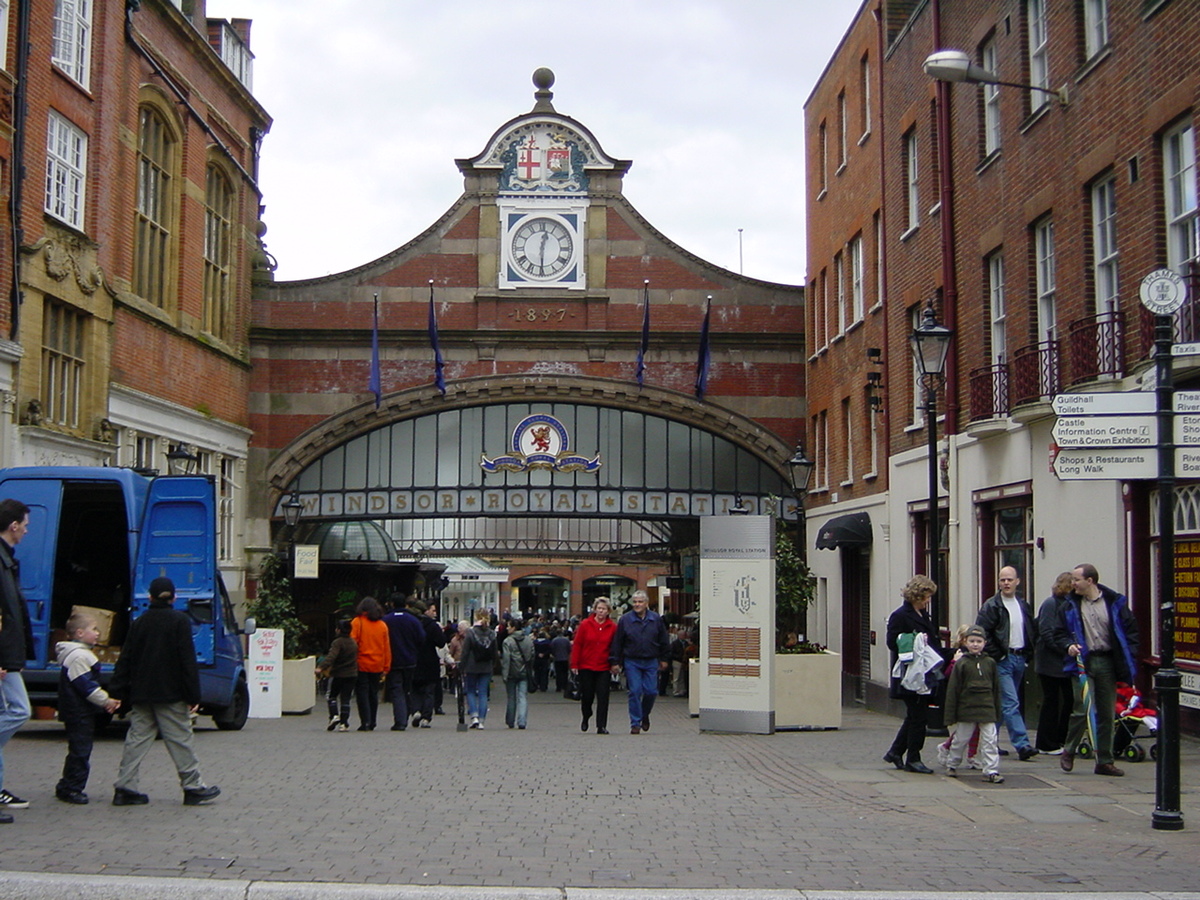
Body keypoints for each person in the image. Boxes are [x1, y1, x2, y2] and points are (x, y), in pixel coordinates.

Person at [109, 576, 220, 806]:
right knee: (180, 740)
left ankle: (125, 787)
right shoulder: (179, 621)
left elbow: (126, 659)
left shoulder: (139, 623)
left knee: (137, 740)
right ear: (174, 598)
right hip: (171, 694)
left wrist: (117, 691)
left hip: (142, 694)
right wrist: (193, 696)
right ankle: (193, 786)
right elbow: (186, 661)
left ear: (150, 597)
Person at [1053, 563, 1139, 777]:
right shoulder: (1069, 605)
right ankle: (1069, 750)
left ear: (1090, 581)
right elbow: (1058, 633)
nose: (1072, 584)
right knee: (1082, 707)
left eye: (1076, 580)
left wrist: (1130, 655)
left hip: (1108, 662)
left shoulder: (1114, 603)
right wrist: (1068, 646)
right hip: (1082, 662)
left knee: (1106, 713)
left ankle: (1105, 761)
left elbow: (1130, 631)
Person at [54, 612, 121, 804]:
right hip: (79, 711)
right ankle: (72, 788)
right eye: (94, 629)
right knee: (81, 751)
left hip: (75, 710)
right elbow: (87, 686)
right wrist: (106, 701)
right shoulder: (79, 657)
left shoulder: (76, 654)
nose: (98, 633)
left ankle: (66, 785)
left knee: (77, 748)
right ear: (80, 633)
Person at [975, 566, 1039, 760]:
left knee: (1003, 703)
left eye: (1010, 579)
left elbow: (1030, 630)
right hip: (1002, 660)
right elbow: (982, 632)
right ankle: (1023, 745)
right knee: (1011, 702)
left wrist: (1028, 654)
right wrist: (998, 655)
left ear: (1017, 581)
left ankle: (989, 741)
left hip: (1020, 659)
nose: (1006, 583)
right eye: (1003, 580)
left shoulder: (1022, 605)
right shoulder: (992, 605)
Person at [884, 574, 944, 774]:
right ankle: (913, 758)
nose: (928, 601)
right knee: (919, 717)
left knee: (914, 716)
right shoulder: (900, 616)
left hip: (924, 672)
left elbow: (932, 642)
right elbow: (892, 642)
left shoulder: (923, 615)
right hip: (910, 674)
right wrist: (913, 641)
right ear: (917, 596)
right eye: (926, 597)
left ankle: (895, 752)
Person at [0, 499, 33, 822]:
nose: (26, 529)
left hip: (7, 655)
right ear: (13, 526)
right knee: (20, 710)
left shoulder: (7, 559)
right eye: (25, 524)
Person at [942, 625, 1004, 783]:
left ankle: (991, 770)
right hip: (966, 709)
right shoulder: (961, 664)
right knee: (961, 739)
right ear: (965, 642)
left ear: (985, 642)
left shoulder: (990, 663)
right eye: (972, 641)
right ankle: (952, 763)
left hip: (987, 709)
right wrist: (950, 714)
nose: (975, 644)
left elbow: (996, 689)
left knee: (990, 740)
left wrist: (997, 710)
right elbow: (953, 690)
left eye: (979, 641)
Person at [610, 590, 669, 734]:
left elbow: (664, 641)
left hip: (651, 660)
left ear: (646, 603)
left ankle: (644, 714)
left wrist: (665, 658)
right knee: (635, 691)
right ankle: (635, 723)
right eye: (635, 602)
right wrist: (615, 662)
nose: (637, 604)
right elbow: (618, 642)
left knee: (651, 691)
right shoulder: (625, 620)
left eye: (640, 602)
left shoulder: (656, 619)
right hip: (632, 660)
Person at [1034, 572, 1076, 754]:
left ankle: (1061, 738)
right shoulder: (1051, 604)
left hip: (1065, 663)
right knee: (1052, 701)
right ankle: (1046, 743)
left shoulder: (1069, 604)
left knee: (1069, 701)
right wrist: (1065, 650)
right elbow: (1047, 632)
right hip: (1051, 663)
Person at [570, 597, 617, 734]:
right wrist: (574, 663)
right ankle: (586, 715)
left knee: (603, 696)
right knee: (587, 695)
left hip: (603, 666)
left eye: (604, 609)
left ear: (608, 611)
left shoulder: (613, 627)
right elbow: (577, 645)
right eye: (599, 608)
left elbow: (615, 647)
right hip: (586, 665)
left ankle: (601, 725)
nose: (601, 611)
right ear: (595, 609)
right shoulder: (585, 624)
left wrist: (615, 663)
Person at [382, 594, 425, 731]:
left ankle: (400, 721)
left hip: (393, 660)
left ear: (392, 604)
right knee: (407, 689)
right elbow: (421, 638)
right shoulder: (413, 620)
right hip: (410, 660)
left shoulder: (386, 620)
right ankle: (410, 712)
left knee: (397, 690)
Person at [350, 597, 390, 731]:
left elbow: (352, 643)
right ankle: (373, 721)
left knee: (362, 694)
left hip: (361, 663)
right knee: (373, 694)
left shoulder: (357, 622)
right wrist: (386, 666)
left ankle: (365, 721)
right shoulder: (382, 625)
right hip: (377, 664)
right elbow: (386, 648)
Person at [410, 599, 446, 727]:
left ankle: (415, 710)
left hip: (414, 659)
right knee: (429, 691)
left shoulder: (411, 623)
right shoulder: (432, 625)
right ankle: (426, 717)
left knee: (415, 689)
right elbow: (441, 643)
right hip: (430, 661)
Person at [318, 618, 357, 732]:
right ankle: (344, 724)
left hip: (339, 674)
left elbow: (331, 657)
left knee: (332, 695)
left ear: (339, 630)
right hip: (352, 674)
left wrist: (321, 667)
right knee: (346, 699)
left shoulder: (338, 642)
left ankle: (334, 716)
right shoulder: (353, 642)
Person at [459, 611, 496, 729]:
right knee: (483, 693)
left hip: (471, 665)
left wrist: (462, 666)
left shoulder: (471, 632)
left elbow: (465, 651)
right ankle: (482, 721)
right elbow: (495, 652)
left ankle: (473, 715)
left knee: (470, 691)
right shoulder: (491, 633)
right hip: (486, 666)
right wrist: (493, 666)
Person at [501, 617, 534, 729]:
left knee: (511, 697)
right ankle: (522, 721)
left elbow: (506, 659)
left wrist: (504, 674)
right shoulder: (528, 640)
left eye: (509, 626)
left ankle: (510, 721)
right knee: (522, 697)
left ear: (514, 628)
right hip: (524, 671)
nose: (507, 628)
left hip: (511, 672)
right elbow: (531, 655)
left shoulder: (507, 641)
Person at [550, 628, 572, 694]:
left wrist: (554, 654)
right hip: (565, 658)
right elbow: (569, 649)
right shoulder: (566, 640)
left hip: (557, 659)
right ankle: (564, 686)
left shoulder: (554, 640)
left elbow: (552, 649)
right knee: (565, 673)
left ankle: (558, 687)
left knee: (558, 673)